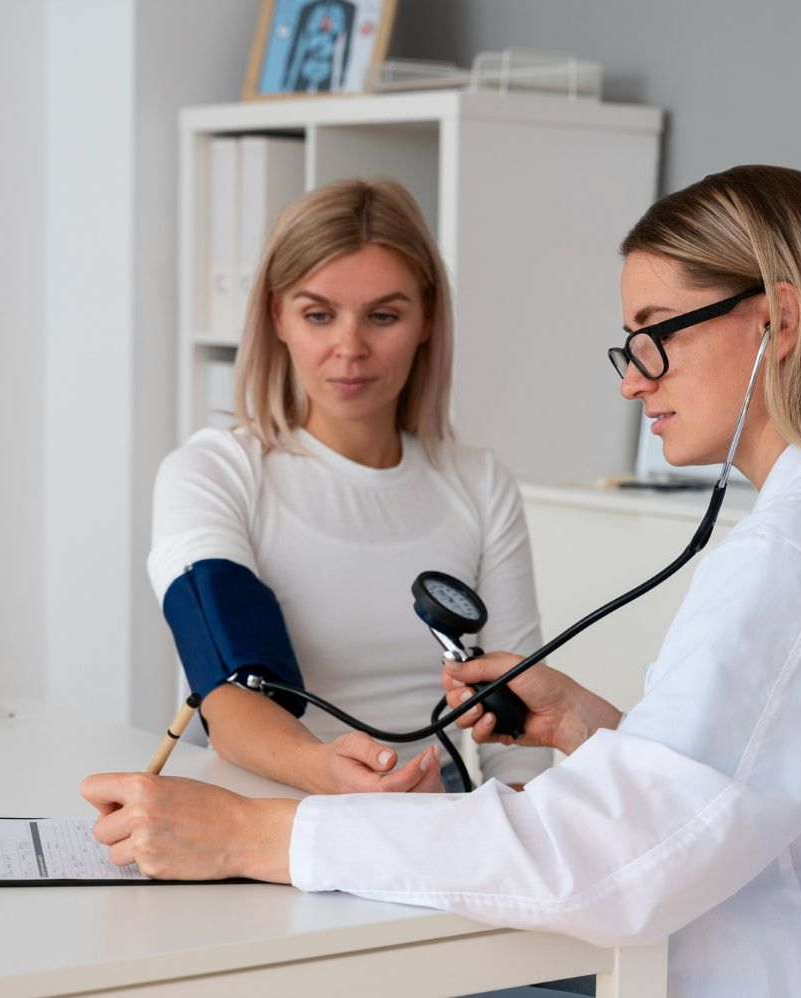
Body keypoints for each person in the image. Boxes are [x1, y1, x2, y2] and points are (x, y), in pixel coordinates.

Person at [84, 166, 801, 996]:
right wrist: (596, 729)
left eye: (656, 336)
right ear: (275, 318)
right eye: (626, 345)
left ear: (780, 321)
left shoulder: (792, 554)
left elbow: (610, 859)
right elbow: (768, 789)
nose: (635, 378)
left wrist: (254, 830)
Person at [147, 177, 551, 797]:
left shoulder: (479, 484)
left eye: (383, 316)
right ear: (276, 315)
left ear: (426, 320)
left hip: (428, 801)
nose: (350, 348)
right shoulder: (212, 474)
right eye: (318, 315)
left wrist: (507, 826)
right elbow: (227, 690)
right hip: (256, 799)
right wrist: (335, 778)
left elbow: (517, 725)